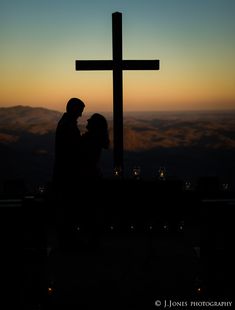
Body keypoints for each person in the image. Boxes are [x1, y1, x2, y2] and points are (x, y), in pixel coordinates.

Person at [52, 97, 85, 193]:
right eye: (80, 111)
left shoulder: (66, 123)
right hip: (67, 171)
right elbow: (73, 147)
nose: (81, 114)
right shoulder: (68, 125)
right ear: (74, 110)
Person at [80, 113, 110, 179]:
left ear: (95, 125)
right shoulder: (96, 140)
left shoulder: (90, 141)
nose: (88, 121)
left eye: (90, 120)